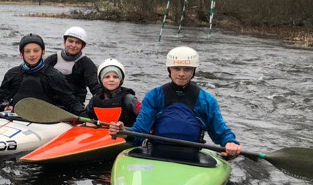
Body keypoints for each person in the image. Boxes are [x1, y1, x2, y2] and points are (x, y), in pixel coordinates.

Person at [109, 46, 241, 160]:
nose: (181, 74)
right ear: (169, 69)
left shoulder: (206, 100)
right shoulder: (155, 96)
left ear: (193, 71)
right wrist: (124, 132)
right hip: (156, 153)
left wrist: (230, 142)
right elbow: (139, 132)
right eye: (177, 68)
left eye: (187, 69)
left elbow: (220, 131)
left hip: (191, 157)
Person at [0, 33, 85, 114]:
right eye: (27, 51)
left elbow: (70, 100)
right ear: (21, 55)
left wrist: (85, 115)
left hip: (46, 119)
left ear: (43, 53)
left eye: (36, 51)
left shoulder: (54, 75)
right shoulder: (13, 73)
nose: (32, 55)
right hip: (15, 117)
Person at [44, 26, 100, 105]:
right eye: (70, 41)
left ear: (83, 46)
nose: (73, 45)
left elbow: (95, 88)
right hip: (51, 103)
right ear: (64, 42)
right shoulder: (52, 59)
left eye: (77, 43)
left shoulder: (87, 64)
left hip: (74, 105)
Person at [88, 58, 141, 126]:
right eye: (107, 77)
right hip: (100, 134)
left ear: (121, 79)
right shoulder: (95, 99)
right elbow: (86, 116)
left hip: (125, 134)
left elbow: (145, 117)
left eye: (115, 77)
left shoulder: (129, 99)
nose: (111, 80)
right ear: (101, 80)